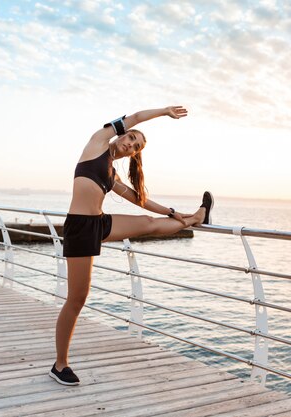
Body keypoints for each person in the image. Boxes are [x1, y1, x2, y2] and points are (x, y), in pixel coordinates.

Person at [49, 106, 214, 385]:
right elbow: (134, 118)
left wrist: (170, 211)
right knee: (76, 299)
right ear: (122, 136)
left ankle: (197, 217)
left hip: (98, 223)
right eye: (131, 138)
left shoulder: (112, 174)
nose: (129, 144)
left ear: (132, 154)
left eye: (135, 146)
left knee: (149, 223)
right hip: (79, 228)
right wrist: (163, 112)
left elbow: (138, 199)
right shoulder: (98, 142)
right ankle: (60, 364)